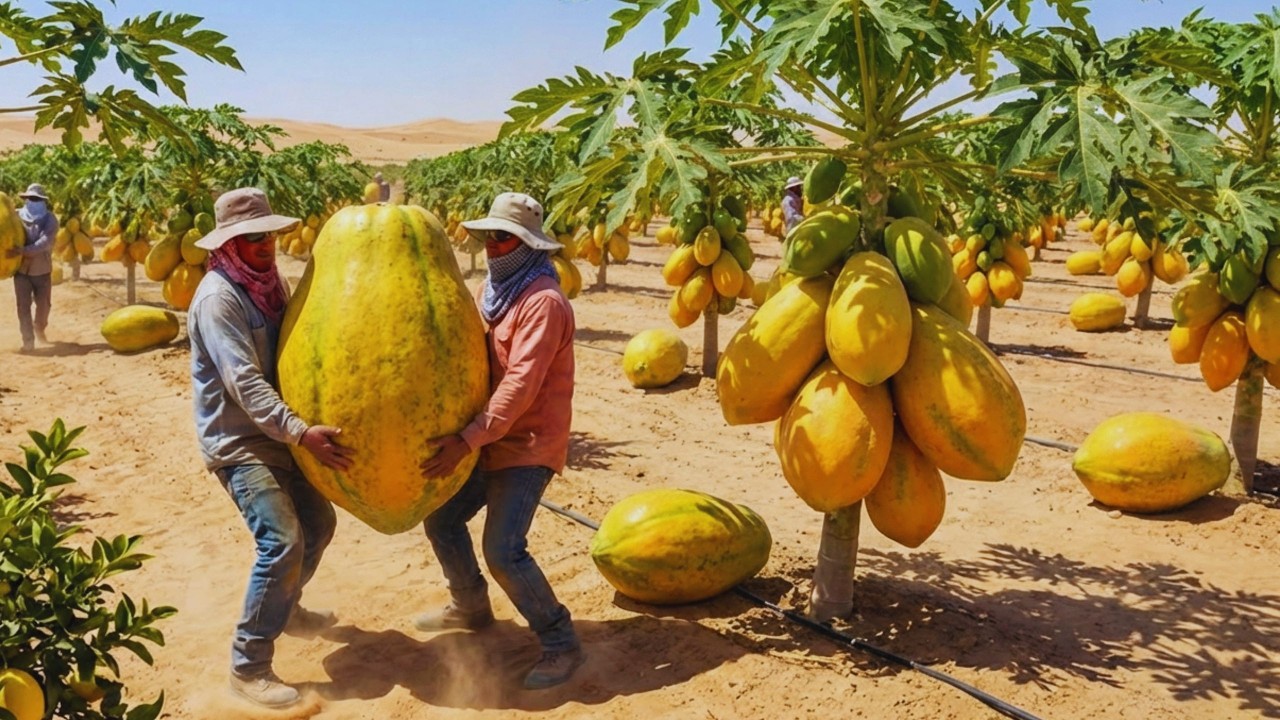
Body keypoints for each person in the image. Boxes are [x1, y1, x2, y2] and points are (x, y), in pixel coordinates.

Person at [187, 187, 354, 709]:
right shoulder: (220, 298)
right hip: (240, 441)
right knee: (281, 543)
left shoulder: (268, 285)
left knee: (319, 526)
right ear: (228, 244)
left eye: (268, 235)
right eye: (250, 238)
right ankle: (248, 664)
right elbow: (244, 382)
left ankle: (287, 607)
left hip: (279, 434)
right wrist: (302, 431)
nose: (264, 245)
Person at [416, 192, 583, 690]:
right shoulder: (497, 293)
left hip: (527, 444)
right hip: (488, 438)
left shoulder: (543, 303)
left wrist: (466, 440)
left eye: (503, 238)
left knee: (504, 549)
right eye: (488, 237)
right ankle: (469, 607)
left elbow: (520, 384)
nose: (492, 247)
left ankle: (561, 642)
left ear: (529, 245)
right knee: (442, 518)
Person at [6, 183, 58, 353]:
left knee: (44, 306)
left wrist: (23, 251)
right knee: (23, 307)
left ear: (42, 201)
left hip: (41, 270)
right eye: (29, 198)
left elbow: (45, 243)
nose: (32, 201)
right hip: (20, 271)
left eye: (35, 199)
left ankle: (39, 328)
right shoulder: (17, 216)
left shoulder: (50, 219)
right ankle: (28, 341)